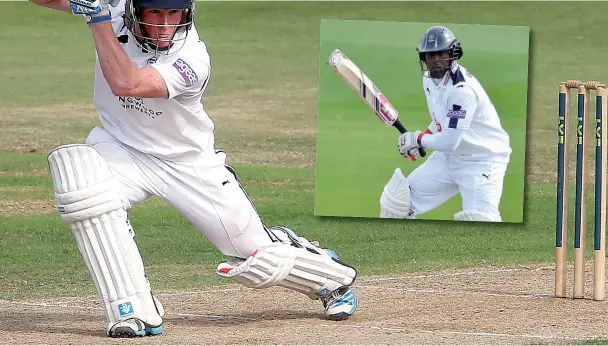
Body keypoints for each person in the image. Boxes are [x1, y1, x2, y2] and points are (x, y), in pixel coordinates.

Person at [29, 0, 358, 338]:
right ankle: (131, 310)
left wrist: (95, 18)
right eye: (155, 13)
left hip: (188, 162)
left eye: (174, 14)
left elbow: (127, 84)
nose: (165, 24)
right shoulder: (112, 10)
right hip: (120, 147)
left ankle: (330, 277)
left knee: (254, 255)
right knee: (85, 189)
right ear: (133, 12)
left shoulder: (193, 59)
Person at [379, 25, 512, 222]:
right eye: (430, 55)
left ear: (453, 53)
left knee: (479, 222)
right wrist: (421, 140)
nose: (435, 60)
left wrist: (418, 138)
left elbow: (450, 141)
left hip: (481, 161)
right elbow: (441, 122)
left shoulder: (462, 91)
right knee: (397, 205)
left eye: (441, 54)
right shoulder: (429, 81)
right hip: (449, 159)